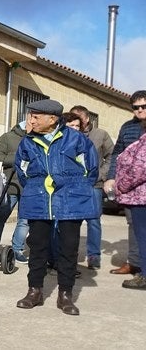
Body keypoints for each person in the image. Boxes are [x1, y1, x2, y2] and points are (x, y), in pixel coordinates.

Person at [14, 99, 98, 316]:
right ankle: (35, 291)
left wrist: (74, 189)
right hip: (38, 199)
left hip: (70, 200)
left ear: (52, 119)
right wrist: (37, 187)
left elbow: (91, 171)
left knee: (68, 248)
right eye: (30, 115)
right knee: (37, 246)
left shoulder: (77, 140)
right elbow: (22, 172)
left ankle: (65, 294)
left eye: (35, 116)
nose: (30, 120)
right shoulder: (27, 142)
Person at [104, 91, 146, 277]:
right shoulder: (127, 127)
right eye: (136, 107)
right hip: (132, 188)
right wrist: (111, 177)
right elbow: (116, 154)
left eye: (144, 106)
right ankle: (134, 263)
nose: (140, 110)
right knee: (134, 225)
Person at [69, 105, 112, 270]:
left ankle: (94, 256)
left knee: (93, 221)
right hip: (74, 185)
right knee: (72, 222)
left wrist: (101, 174)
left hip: (94, 185)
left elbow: (111, 156)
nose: (75, 121)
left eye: (78, 118)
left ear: (87, 119)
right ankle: (70, 255)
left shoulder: (101, 135)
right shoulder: (69, 135)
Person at [0, 120, 31, 263]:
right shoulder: (8, 137)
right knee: (0, 216)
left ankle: (17, 249)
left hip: (30, 187)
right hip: (10, 184)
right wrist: (17, 158)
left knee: (25, 220)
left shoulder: (37, 139)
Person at [113, 126, 146, 290]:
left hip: (141, 198)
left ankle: (144, 276)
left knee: (143, 237)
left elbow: (138, 170)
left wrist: (121, 186)